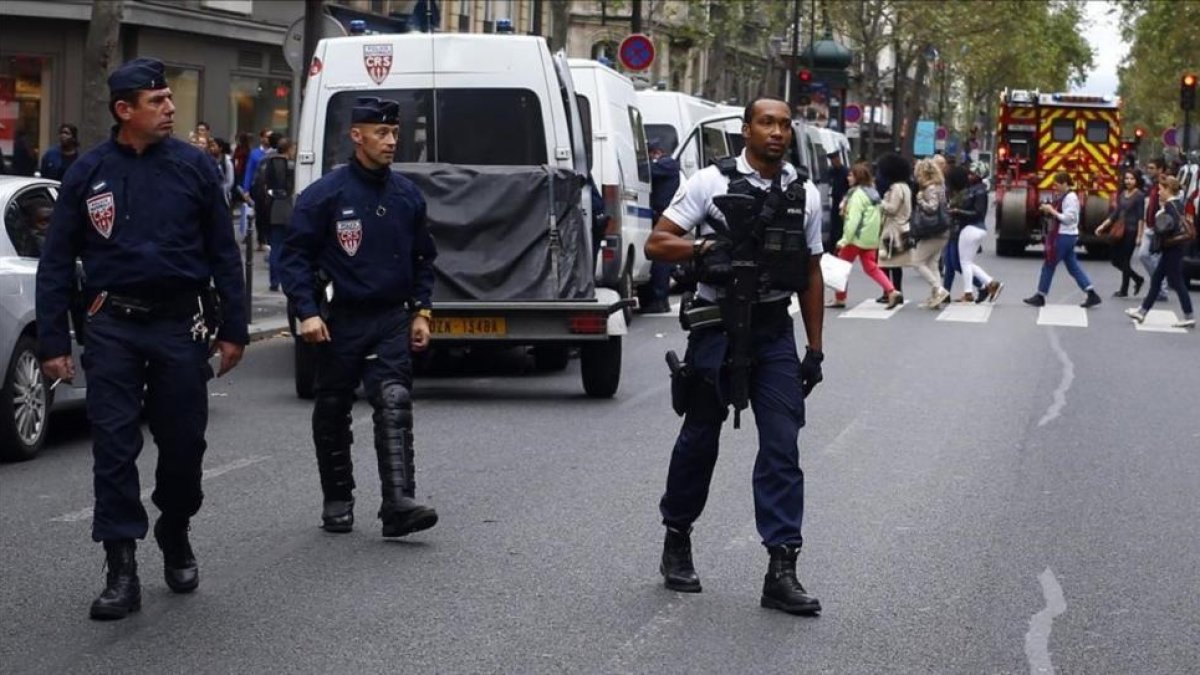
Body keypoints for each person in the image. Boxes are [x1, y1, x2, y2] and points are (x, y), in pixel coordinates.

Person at [34, 57, 248, 621]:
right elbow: (56, 261)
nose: (171, 108)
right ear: (124, 110)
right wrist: (54, 341)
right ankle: (120, 566)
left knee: (184, 447)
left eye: (169, 99)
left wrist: (235, 329)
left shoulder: (194, 168)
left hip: (180, 325)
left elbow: (226, 254)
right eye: (157, 102)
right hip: (113, 327)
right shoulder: (88, 172)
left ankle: (174, 530)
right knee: (113, 446)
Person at [644, 97, 825, 616]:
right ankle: (677, 537)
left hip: (772, 333)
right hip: (716, 328)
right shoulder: (709, 182)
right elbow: (658, 243)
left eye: (785, 125)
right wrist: (702, 250)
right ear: (746, 130)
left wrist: (814, 349)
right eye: (767, 123)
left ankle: (781, 568)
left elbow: (811, 272)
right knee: (700, 439)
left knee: (782, 446)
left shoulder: (803, 194)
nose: (777, 132)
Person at [280, 97, 439, 539]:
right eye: (382, 134)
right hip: (339, 319)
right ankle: (337, 498)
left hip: (390, 316)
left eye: (394, 134)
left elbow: (424, 258)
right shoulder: (326, 195)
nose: (391, 142)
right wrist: (307, 313)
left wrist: (421, 312)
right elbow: (293, 258)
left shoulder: (407, 195)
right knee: (332, 408)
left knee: (393, 400)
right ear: (357, 136)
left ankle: (398, 503)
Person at [1023, 171, 1103, 308]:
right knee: (1073, 267)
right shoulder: (1065, 196)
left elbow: (1069, 218)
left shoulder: (1070, 198)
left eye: (1057, 184)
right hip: (1067, 235)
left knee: (1049, 264)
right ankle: (1091, 292)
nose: (1055, 186)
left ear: (1065, 183)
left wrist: (1051, 211)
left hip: (1064, 235)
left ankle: (1040, 295)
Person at [829, 162, 901, 309]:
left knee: (840, 268)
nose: (848, 178)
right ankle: (892, 291)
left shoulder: (857, 196)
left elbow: (853, 220)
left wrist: (844, 240)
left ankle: (840, 298)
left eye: (850, 175)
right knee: (871, 267)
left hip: (855, 238)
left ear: (857, 177)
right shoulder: (873, 193)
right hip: (870, 239)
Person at [1126, 176, 1194, 327]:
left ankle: (1189, 316)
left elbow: (1168, 228)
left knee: (1177, 282)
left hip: (1172, 249)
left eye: (1161, 189)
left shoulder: (1171, 206)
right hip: (1173, 248)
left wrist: (1159, 219)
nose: (1158, 193)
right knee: (1157, 279)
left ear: (1168, 190)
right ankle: (1142, 312)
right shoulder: (1177, 204)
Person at [946, 161, 1002, 303]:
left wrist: (958, 211)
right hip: (971, 228)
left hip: (971, 228)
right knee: (966, 263)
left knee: (964, 263)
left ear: (978, 175)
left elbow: (978, 213)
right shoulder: (975, 189)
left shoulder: (979, 191)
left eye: (972, 174)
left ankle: (969, 292)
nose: (969, 176)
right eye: (969, 173)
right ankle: (990, 283)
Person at [640, 140, 681, 314]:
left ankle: (659, 298)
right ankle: (659, 299)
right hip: (661, 216)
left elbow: (646, 171)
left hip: (664, 217)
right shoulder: (666, 165)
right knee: (662, 260)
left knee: (661, 261)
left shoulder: (668, 164)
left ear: (656, 152)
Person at [908, 158, 951, 308]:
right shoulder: (940, 186)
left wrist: (920, 200)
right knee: (932, 264)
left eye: (918, 173)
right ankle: (936, 298)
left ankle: (939, 290)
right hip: (941, 231)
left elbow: (932, 208)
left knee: (917, 262)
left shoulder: (931, 188)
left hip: (934, 231)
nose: (917, 177)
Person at [254, 137, 295, 291]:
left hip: (271, 207)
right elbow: (291, 188)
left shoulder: (267, 163)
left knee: (275, 246)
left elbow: (260, 184)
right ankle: (284, 279)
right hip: (286, 208)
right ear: (289, 149)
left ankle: (274, 280)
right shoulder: (290, 166)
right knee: (286, 246)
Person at [1097, 170, 1146, 297]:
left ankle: (1124, 290)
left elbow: (1141, 217)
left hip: (1131, 231)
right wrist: (1103, 226)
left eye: (1132, 179)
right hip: (1119, 231)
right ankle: (1137, 279)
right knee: (1115, 260)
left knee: (1125, 260)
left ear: (1136, 181)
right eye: (1127, 178)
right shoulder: (1122, 194)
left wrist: (1139, 236)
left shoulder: (1139, 196)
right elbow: (1115, 214)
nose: (1128, 181)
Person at [876, 153, 913, 299]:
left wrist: (879, 202)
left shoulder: (896, 188)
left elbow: (892, 208)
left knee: (885, 263)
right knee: (896, 264)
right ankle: (897, 290)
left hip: (892, 228)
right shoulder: (905, 186)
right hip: (902, 226)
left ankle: (889, 291)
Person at [1137, 157, 1170, 302]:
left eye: (1152, 168)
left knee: (1154, 258)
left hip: (1159, 228)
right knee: (1144, 255)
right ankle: (1159, 286)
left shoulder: (1166, 184)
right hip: (1149, 227)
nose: (1148, 170)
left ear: (1160, 169)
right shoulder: (1152, 184)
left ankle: (1160, 289)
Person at [242, 128, 272, 250]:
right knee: (260, 214)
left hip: (271, 187)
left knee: (270, 215)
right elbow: (249, 171)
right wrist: (246, 189)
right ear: (262, 138)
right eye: (266, 136)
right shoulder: (255, 153)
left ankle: (269, 240)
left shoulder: (274, 152)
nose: (268, 139)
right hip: (258, 188)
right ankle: (261, 240)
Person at [825, 150, 850, 250]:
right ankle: (832, 247)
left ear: (838, 159)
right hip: (834, 201)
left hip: (843, 202)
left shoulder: (846, 172)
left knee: (840, 227)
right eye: (831, 160)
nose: (833, 162)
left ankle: (839, 246)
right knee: (833, 226)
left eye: (834, 160)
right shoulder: (831, 171)